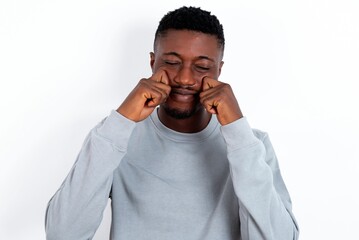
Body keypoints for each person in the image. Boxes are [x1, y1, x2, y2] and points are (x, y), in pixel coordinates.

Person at [45, 6, 299, 240]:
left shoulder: (251, 144)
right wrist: (121, 120)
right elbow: (62, 234)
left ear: (219, 71)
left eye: (201, 66)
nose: (185, 78)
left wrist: (237, 131)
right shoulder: (116, 135)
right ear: (152, 62)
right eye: (172, 62)